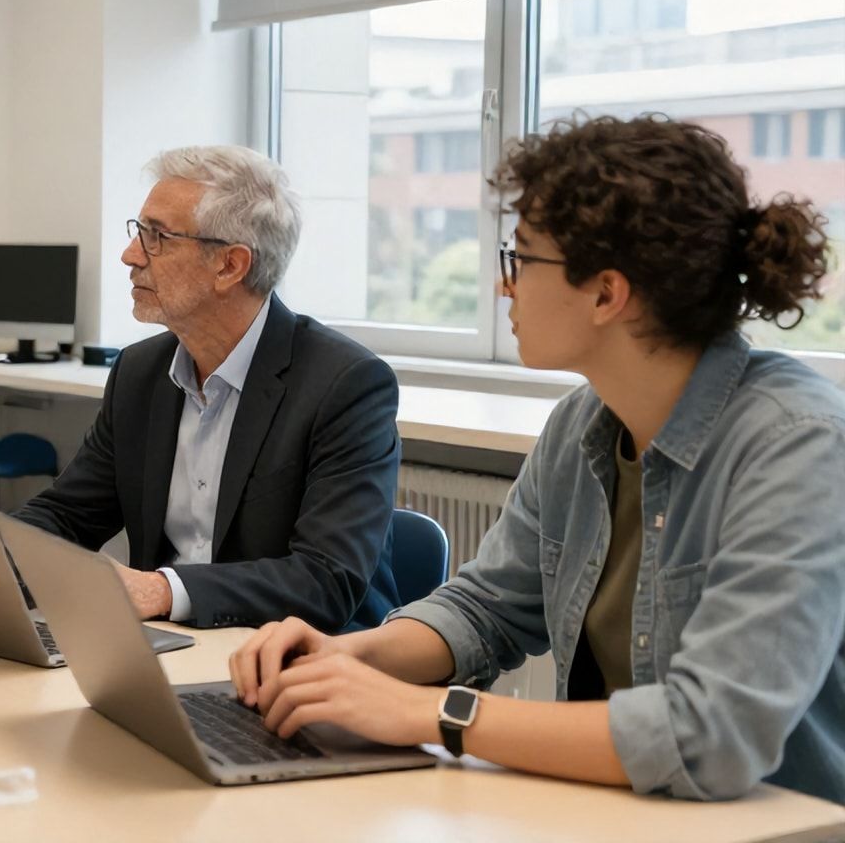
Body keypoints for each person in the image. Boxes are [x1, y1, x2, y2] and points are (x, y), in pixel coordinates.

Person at [227, 114, 844, 804]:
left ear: (607, 293)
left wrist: (434, 713)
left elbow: (713, 733)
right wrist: (346, 656)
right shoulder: (583, 422)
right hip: (621, 812)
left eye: (520, 259)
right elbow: (488, 609)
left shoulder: (798, 444)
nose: (503, 287)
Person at [11, 145, 402, 630]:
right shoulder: (140, 372)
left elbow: (325, 579)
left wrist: (160, 590)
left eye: (157, 237)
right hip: (171, 649)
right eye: (138, 232)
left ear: (230, 266)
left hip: (302, 665)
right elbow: (68, 516)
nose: (130, 255)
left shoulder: (345, 385)